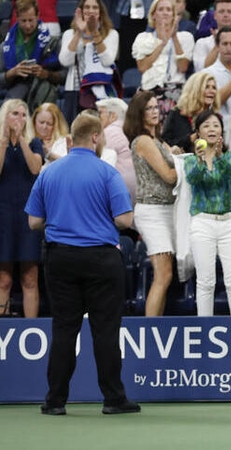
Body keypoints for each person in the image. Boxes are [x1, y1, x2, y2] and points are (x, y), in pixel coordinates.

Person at [25, 112, 140, 416]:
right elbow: (124, 219)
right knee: (105, 330)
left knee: (64, 329)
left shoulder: (49, 172)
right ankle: (113, 399)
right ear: (96, 137)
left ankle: (54, 400)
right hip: (101, 260)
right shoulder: (107, 172)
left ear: (68, 139)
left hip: (60, 259)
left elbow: (34, 221)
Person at [184, 111, 231, 317]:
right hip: (203, 223)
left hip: (229, 223)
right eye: (207, 126)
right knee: (205, 282)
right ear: (198, 132)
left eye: (216, 125)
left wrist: (218, 156)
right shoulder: (191, 160)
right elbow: (194, 179)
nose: (212, 129)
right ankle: (204, 329)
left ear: (221, 131)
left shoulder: (230, 156)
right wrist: (202, 160)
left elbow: (227, 174)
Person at [124, 91, 179, 317]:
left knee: (166, 275)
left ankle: (156, 327)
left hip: (168, 210)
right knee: (163, 274)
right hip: (153, 212)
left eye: (156, 107)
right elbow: (169, 176)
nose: (154, 112)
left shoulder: (157, 140)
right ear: (139, 113)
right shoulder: (144, 141)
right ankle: (149, 329)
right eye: (149, 108)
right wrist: (191, 166)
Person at [0, 99, 43, 318]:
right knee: (4, 279)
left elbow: (36, 168)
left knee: (29, 276)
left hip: (27, 217)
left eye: (24, 114)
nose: (20, 119)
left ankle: (31, 326)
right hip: (3, 215)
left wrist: (22, 140)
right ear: (5, 116)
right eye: (15, 114)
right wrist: (5, 140)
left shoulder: (34, 143)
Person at [131, 0, 195, 122]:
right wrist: (162, 44)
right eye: (161, 10)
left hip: (175, 92)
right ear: (153, 15)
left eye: (168, 10)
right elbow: (143, 67)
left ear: (174, 15)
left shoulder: (186, 37)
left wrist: (174, 37)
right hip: (149, 92)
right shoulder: (143, 38)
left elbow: (183, 67)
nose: (165, 13)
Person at [58, 0, 119, 123]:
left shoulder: (111, 34)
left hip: (100, 90)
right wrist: (79, 33)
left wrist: (95, 33)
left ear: (100, 12)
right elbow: (65, 60)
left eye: (95, 7)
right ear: (80, 12)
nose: (91, 11)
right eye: (87, 7)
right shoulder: (69, 34)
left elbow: (107, 60)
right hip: (74, 90)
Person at [0, 0, 63, 109]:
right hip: (16, 93)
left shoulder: (52, 42)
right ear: (17, 17)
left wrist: (46, 74)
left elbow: (65, 76)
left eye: (31, 20)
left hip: (43, 93)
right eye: (23, 21)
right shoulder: (5, 46)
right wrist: (12, 73)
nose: (28, 25)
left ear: (38, 16)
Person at [162, 72, 221, 154]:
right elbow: (165, 143)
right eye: (206, 87)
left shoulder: (215, 118)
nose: (212, 91)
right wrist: (189, 139)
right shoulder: (176, 114)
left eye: (214, 88)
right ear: (195, 89)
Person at [96, 98, 136, 209]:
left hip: (120, 194)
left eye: (100, 113)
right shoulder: (129, 130)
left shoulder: (110, 132)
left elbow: (99, 167)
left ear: (113, 115)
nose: (98, 118)